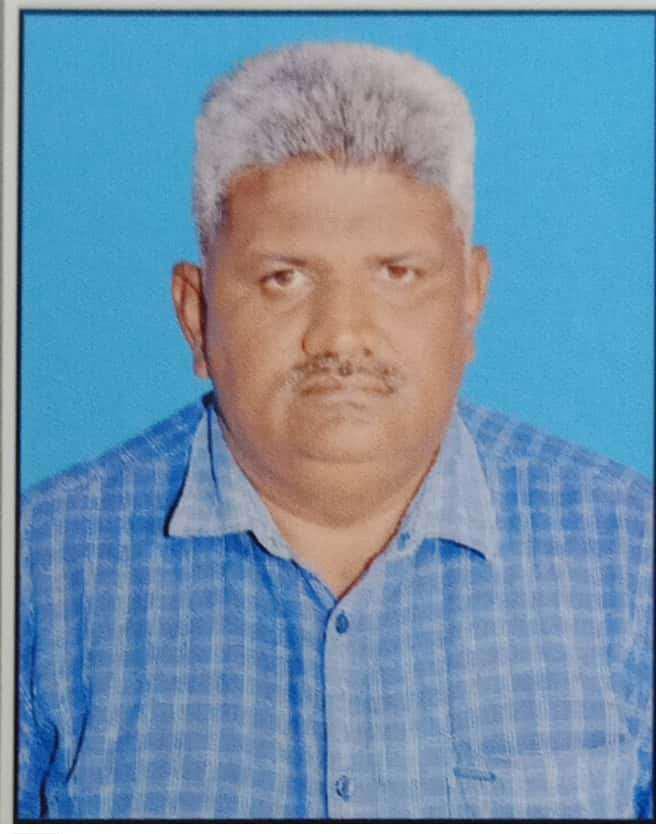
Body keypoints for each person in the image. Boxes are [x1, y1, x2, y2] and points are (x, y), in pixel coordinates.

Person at [19, 42, 652, 820]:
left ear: (471, 297)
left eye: (397, 274)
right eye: (284, 278)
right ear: (196, 313)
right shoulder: (40, 570)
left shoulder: (631, 555)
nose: (342, 334)